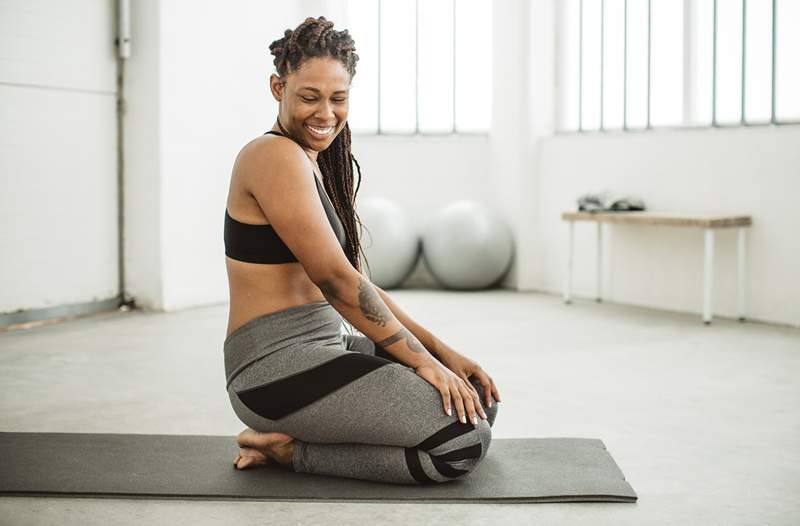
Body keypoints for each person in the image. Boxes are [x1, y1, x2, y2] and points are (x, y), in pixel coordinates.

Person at [223, 16, 502, 485]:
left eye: (338, 98)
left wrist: (443, 353)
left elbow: (358, 282)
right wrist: (424, 365)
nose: (325, 113)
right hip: (271, 371)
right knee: (461, 443)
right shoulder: (271, 155)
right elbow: (337, 280)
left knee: (475, 399)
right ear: (278, 87)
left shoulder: (306, 160)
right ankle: (289, 452)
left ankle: (307, 437)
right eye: (309, 97)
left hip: (322, 349)